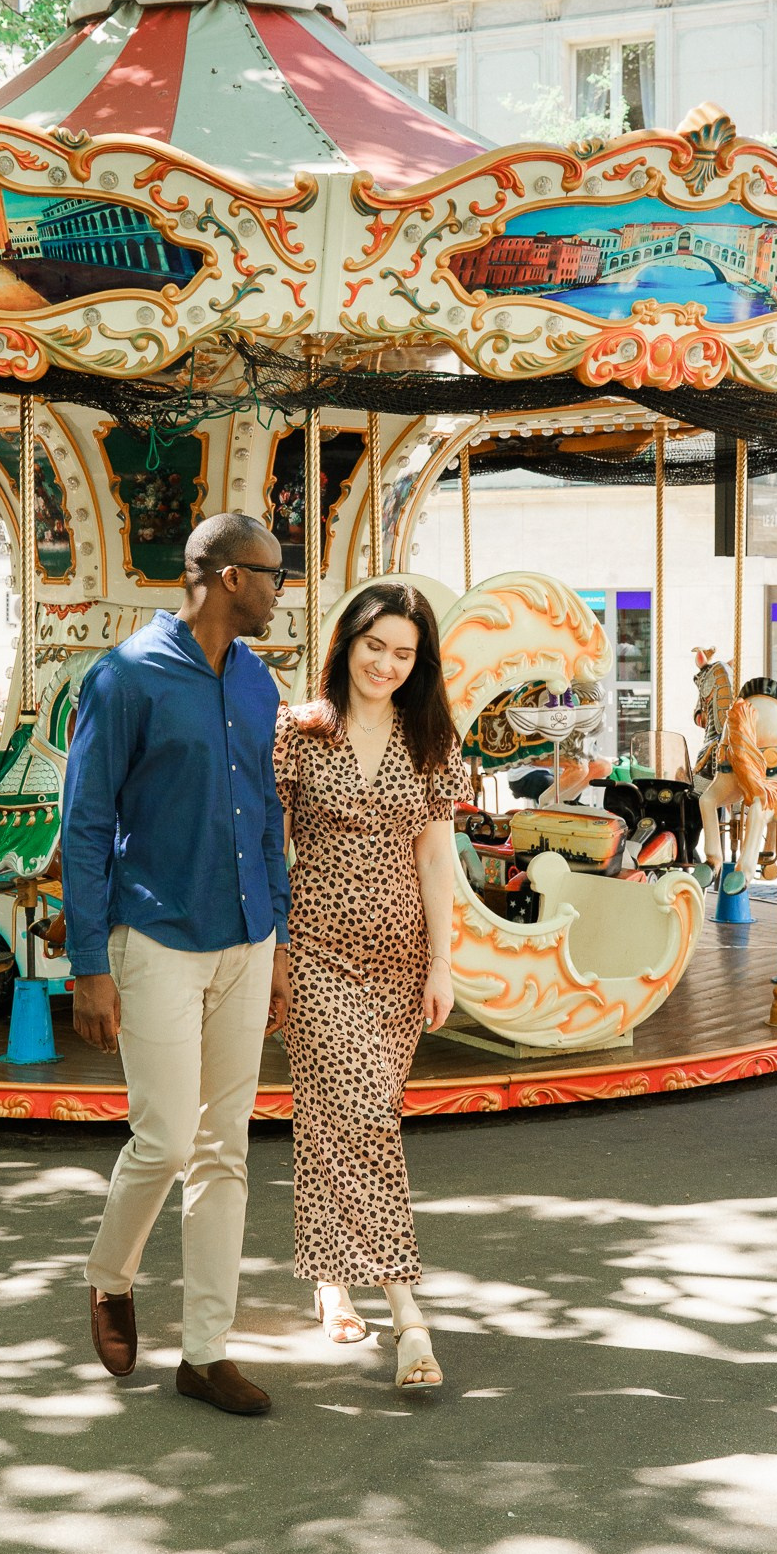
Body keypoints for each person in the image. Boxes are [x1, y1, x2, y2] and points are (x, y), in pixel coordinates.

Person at [61, 512, 292, 1418]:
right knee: (162, 1139)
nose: (283, 591)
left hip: (245, 938)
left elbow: (266, 813)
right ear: (230, 577)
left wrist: (275, 939)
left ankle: (204, 1351)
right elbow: (83, 825)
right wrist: (89, 964)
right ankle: (110, 1276)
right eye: (274, 574)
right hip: (154, 936)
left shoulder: (258, 683)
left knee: (222, 1152)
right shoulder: (123, 678)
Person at [274, 583, 466, 1391]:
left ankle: (330, 1281)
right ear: (345, 642)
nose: (386, 664)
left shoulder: (429, 740)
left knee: (339, 1119)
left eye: (403, 652)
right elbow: (271, 845)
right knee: (362, 1115)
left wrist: (443, 962)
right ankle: (408, 1313)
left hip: (398, 961)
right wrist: (274, 953)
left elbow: (433, 856)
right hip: (316, 951)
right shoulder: (296, 732)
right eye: (374, 645)